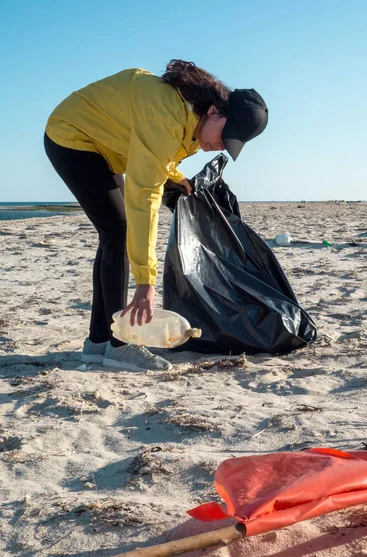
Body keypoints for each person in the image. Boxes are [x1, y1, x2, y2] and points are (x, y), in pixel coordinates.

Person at [44, 59, 268, 372]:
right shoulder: (166, 113)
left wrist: (175, 176)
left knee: (114, 235)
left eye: (230, 144)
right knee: (117, 232)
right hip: (72, 137)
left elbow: (155, 154)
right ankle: (120, 345)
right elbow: (144, 197)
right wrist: (146, 283)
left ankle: (98, 342)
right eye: (224, 135)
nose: (220, 145)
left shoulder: (191, 118)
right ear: (215, 111)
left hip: (106, 148)